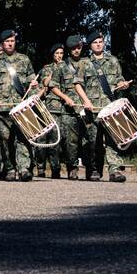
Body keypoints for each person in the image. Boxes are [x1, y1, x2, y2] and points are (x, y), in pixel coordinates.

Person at [0, 30, 40, 181]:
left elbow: (32, 81)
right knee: (5, 140)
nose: (10, 43)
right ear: (2, 43)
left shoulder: (24, 59)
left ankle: (24, 169)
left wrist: (34, 84)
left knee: (23, 138)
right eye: (7, 41)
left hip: (21, 107)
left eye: (12, 40)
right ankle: (10, 168)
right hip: (3, 108)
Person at [74, 30, 132, 182]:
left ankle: (115, 170)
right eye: (95, 42)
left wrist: (122, 84)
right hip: (92, 109)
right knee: (94, 141)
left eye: (100, 41)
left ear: (103, 43)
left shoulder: (113, 60)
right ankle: (94, 170)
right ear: (90, 45)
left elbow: (119, 79)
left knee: (113, 139)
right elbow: (78, 84)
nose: (98, 44)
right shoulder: (84, 63)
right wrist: (86, 101)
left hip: (110, 108)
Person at [49, 35, 88, 180]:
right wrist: (66, 98)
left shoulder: (88, 63)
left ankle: (92, 169)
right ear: (69, 50)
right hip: (69, 110)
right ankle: (72, 168)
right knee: (70, 141)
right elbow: (53, 86)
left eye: (79, 47)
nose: (76, 50)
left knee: (87, 140)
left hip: (87, 107)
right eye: (73, 48)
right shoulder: (62, 66)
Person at [35, 44, 64, 178]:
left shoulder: (68, 68)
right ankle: (40, 168)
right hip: (47, 107)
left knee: (56, 140)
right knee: (42, 139)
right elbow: (46, 82)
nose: (59, 55)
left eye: (61, 53)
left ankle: (55, 168)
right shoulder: (47, 68)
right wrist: (55, 71)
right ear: (53, 55)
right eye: (57, 53)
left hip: (61, 108)